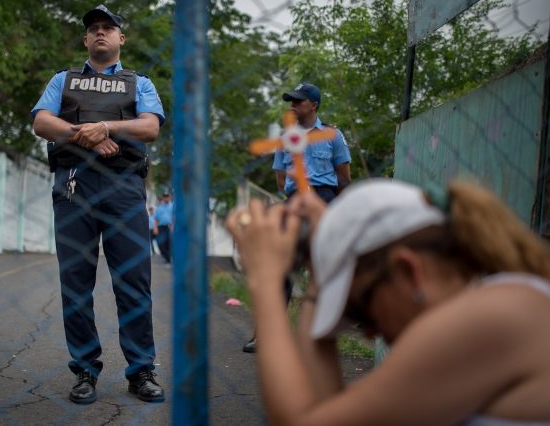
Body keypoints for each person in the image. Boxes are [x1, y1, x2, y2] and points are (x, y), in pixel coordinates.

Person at [226, 178, 550, 425]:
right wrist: (321, 260)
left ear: (409, 271)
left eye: (361, 312)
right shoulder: (503, 300)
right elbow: (319, 410)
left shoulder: (487, 319)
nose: (368, 334)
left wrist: (266, 281)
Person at [31, 4, 165, 404]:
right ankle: (85, 370)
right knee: (76, 285)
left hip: (123, 187)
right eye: (94, 29)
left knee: (134, 282)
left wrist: (108, 126)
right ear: (86, 39)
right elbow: (41, 122)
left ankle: (141, 370)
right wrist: (84, 134)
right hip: (76, 187)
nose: (101, 33)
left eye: (109, 28)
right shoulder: (64, 79)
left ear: (121, 38)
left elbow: (150, 127)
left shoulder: (139, 82)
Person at [243, 82, 352, 353]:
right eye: (290, 101)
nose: (292, 105)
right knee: (281, 268)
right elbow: (281, 179)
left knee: (323, 269)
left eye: (298, 101)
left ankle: (320, 336)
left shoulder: (332, 135)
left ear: (313, 104)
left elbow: (344, 177)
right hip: (294, 202)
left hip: (324, 200)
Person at [154, 192, 173, 264]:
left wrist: (173, 226)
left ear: (169, 197)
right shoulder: (159, 207)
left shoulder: (172, 206)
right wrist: (155, 228)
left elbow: (174, 217)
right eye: (165, 196)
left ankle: (169, 259)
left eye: (167, 196)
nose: (166, 198)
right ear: (163, 198)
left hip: (170, 227)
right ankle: (167, 257)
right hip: (161, 227)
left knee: (169, 243)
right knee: (161, 244)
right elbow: (156, 219)